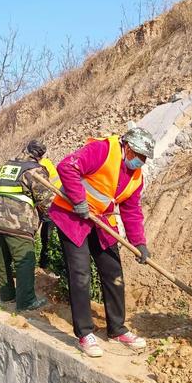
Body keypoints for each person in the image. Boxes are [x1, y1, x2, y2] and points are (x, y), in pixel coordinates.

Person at [49, 127, 155, 357]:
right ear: (127, 147)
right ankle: (85, 333)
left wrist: (139, 243)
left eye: (144, 159)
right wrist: (78, 200)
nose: (141, 161)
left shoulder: (136, 178)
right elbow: (67, 166)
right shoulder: (103, 150)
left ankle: (117, 329)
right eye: (139, 155)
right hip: (72, 216)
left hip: (102, 222)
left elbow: (132, 210)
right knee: (80, 274)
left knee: (113, 272)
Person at [0, 140, 54, 311]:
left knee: (2, 260)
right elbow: (46, 200)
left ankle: (7, 296)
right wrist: (50, 216)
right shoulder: (35, 170)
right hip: (17, 222)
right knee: (25, 260)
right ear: (39, 156)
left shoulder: (6, 166)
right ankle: (27, 301)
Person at [38, 156, 61, 269]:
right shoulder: (46, 162)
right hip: (53, 201)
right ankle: (44, 261)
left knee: (47, 235)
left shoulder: (40, 166)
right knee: (47, 234)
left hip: (51, 203)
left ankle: (45, 263)